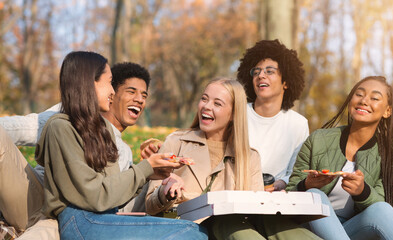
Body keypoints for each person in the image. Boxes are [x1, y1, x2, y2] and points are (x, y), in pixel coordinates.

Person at [34, 51, 207, 239]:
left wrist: (150, 175)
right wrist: (144, 169)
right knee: (191, 233)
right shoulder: (61, 126)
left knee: (193, 230)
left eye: (144, 95)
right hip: (80, 219)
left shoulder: (99, 133)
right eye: (109, 82)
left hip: (101, 217)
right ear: (88, 83)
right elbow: (96, 196)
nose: (111, 91)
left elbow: (111, 195)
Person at [145, 78, 320, 240]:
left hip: (237, 226)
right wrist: (165, 192)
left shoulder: (250, 156)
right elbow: (149, 205)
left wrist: (275, 203)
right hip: (191, 226)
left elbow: (257, 211)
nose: (206, 106)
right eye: (204, 99)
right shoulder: (176, 142)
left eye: (217, 103)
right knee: (226, 221)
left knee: (274, 223)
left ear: (233, 114)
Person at [0, 62, 156, 239]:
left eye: (144, 95)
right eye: (131, 91)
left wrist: (155, 180)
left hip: (64, 220)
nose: (140, 99)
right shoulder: (69, 116)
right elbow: (19, 128)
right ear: (111, 91)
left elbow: (116, 203)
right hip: (32, 196)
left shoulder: (126, 154)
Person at [286, 76, 393, 240]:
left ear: (387, 111)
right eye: (359, 94)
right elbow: (289, 191)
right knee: (315, 195)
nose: (364, 101)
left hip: (352, 229)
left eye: (375, 98)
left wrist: (362, 192)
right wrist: (307, 184)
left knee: (381, 209)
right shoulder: (318, 139)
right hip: (310, 229)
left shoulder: (391, 150)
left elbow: (384, 202)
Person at [237, 39, 309, 191]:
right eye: (256, 72)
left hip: (276, 197)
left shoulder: (298, 124)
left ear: (286, 82)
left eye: (269, 71)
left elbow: (296, 171)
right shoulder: (237, 113)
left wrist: (280, 184)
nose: (261, 75)